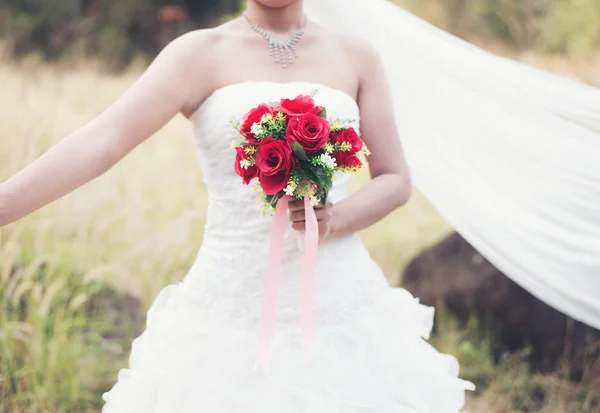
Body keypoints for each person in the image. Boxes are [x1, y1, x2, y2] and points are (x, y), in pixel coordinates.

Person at [0, 0, 476, 411]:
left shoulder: (356, 56)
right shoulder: (199, 53)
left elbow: (394, 179)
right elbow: (102, 141)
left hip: (343, 307)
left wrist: (334, 220)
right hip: (228, 310)